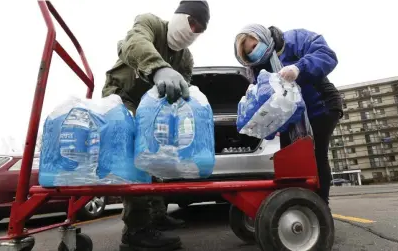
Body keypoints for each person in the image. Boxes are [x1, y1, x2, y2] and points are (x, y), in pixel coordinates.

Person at [102, 1, 210, 250]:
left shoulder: (185, 57)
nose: (192, 30)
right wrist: (159, 68)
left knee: (158, 152)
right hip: (123, 97)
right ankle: (136, 230)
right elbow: (134, 42)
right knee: (136, 154)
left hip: (154, 108)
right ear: (180, 15)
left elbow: (184, 87)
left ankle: (157, 214)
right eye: (191, 21)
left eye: (199, 29)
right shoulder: (150, 23)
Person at [233, 24, 343, 206]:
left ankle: (320, 207)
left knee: (315, 154)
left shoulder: (294, 39)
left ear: (261, 36)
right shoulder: (258, 68)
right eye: (249, 52)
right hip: (291, 117)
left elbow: (327, 55)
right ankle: (298, 203)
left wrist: (298, 68)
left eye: (254, 45)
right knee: (289, 158)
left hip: (321, 105)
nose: (254, 52)